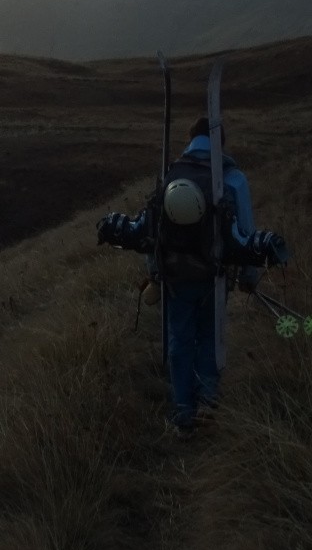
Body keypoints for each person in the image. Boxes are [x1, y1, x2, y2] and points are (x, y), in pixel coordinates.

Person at [97, 115, 288, 433]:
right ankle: (208, 400)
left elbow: (151, 229)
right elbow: (245, 230)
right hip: (215, 276)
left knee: (180, 339)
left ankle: (183, 410)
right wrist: (249, 275)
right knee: (211, 336)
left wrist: (155, 272)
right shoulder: (231, 177)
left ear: (189, 139)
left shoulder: (170, 173)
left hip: (174, 277)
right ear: (221, 143)